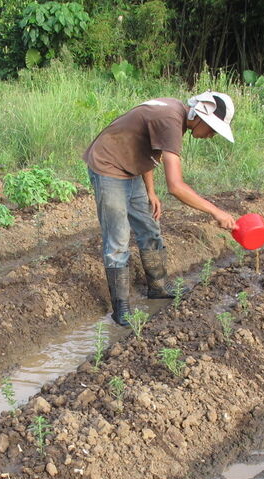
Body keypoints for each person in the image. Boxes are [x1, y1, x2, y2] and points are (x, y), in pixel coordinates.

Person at [83, 91, 238, 325]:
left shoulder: (174, 114)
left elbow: (146, 149)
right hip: (108, 166)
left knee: (149, 227)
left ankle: (158, 287)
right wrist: (216, 212)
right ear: (201, 117)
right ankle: (121, 309)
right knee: (119, 238)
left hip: (130, 166)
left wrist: (150, 191)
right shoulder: (170, 120)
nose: (211, 135)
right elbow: (176, 186)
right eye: (213, 129)